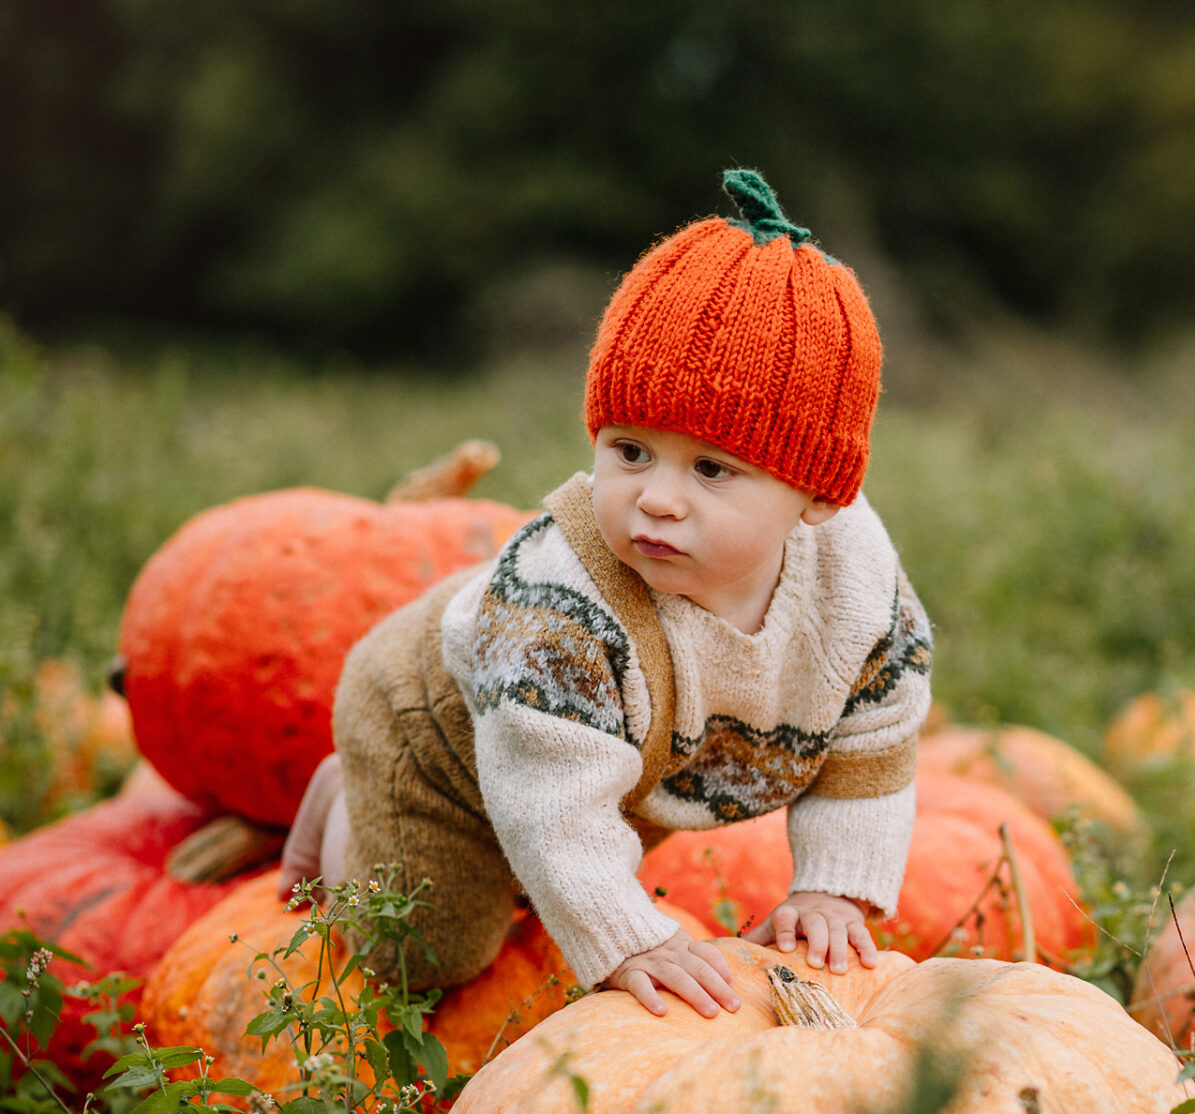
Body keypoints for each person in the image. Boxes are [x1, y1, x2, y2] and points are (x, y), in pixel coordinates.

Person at [276, 170, 932, 1019]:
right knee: (430, 950)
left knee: (556, 870)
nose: (657, 496)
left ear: (816, 497)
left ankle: (511, 868)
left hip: (626, 756)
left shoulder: (860, 596)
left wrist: (836, 889)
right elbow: (550, 799)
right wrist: (631, 939)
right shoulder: (563, 603)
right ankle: (346, 804)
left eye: (709, 468)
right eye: (630, 451)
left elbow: (872, 745)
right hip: (442, 738)